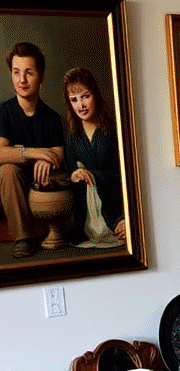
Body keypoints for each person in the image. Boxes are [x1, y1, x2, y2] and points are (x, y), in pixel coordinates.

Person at [0, 42, 65, 258]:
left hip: (42, 185)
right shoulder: (4, 112)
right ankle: (24, 238)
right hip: (9, 187)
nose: (22, 80)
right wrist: (33, 153)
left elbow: (58, 155)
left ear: (41, 76)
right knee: (7, 169)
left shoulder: (52, 117)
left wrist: (47, 159)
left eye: (29, 73)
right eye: (16, 72)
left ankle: (56, 233)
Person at [62, 67, 125, 247]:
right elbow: (68, 172)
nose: (80, 105)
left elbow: (125, 177)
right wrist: (74, 175)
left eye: (85, 96)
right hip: (86, 215)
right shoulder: (72, 137)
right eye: (74, 100)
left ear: (95, 94)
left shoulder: (113, 130)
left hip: (114, 210)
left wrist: (125, 217)